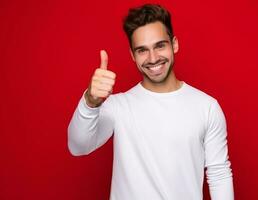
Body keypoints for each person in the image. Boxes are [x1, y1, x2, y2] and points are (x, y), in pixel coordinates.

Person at [68, 4, 234, 200]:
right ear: (132, 55)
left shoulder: (207, 107)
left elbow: (219, 174)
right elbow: (78, 146)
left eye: (160, 45)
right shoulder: (118, 106)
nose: (153, 58)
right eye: (142, 50)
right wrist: (90, 101)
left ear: (174, 44)